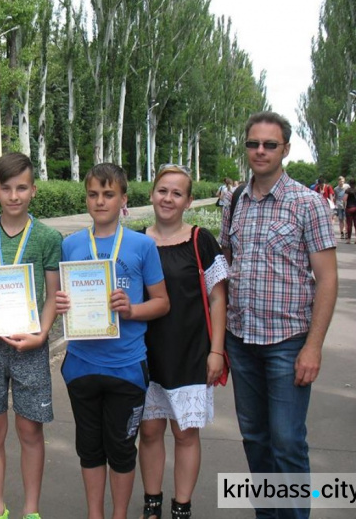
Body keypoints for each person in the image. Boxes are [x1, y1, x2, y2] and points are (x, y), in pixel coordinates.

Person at [220, 112, 338, 519]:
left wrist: (313, 347)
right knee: (255, 438)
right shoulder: (233, 201)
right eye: (253, 144)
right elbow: (226, 269)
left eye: (270, 145)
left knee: (287, 441)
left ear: (285, 149)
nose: (260, 151)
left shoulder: (308, 204)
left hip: (288, 343)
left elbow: (327, 280)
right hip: (242, 340)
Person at [55, 163, 170, 519]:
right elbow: (62, 297)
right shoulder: (71, 244)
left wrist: (132, 309)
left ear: (123, 199)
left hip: (126, 367)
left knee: (121, 449)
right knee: (89, 448)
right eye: (93, 194)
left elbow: (162, 302)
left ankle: (119, 514)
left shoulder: (142, 245)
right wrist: (62, 304)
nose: (100, 201)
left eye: (108, 194)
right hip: (81, 365)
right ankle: (96, 514)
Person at [0, 153, 62, 519]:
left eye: (22, 187)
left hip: (30, 345)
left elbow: (53, 294)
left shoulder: (48, 237)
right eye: (7, 188)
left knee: (30, 430)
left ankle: (31, 510)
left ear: (33, 190)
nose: (14, 195)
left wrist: (43, 334)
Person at [138, 165, 228, 519]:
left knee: (185, 433)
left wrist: (216, 351)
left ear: (189, 201)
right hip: (144, 353)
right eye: (163, 190)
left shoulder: (199, 240)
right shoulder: (136, 240)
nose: (168, 198)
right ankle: (152, 504)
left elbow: (219, 299)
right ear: (151, 193)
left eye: (177, 193)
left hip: (190, 351)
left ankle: (182, 507)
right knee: (148, 432)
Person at [344, 178, 356, 244]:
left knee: (349, 224)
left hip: (349, 208)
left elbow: (344, 199)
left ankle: (349, 239)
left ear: (349, 184)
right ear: (355, 183)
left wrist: (344, 207)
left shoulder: (348, 190)